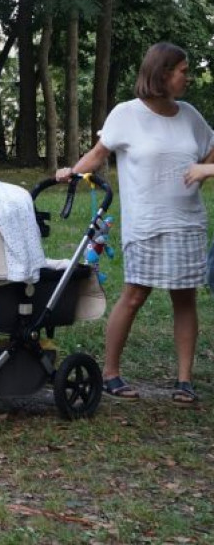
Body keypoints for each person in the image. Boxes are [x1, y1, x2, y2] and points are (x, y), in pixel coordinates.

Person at [59, 42, 214, 405]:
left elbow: (211, 147)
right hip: (146, 222)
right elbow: (99, 154)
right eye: (182, 70)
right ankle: (111, 373)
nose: (187, 77)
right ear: (162, 74)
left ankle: (184, 380)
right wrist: (70, 173)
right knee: (134, 295)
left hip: (187, 222)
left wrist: (204, 171)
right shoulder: (126, 114)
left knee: (185, 298)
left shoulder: (190, 115)